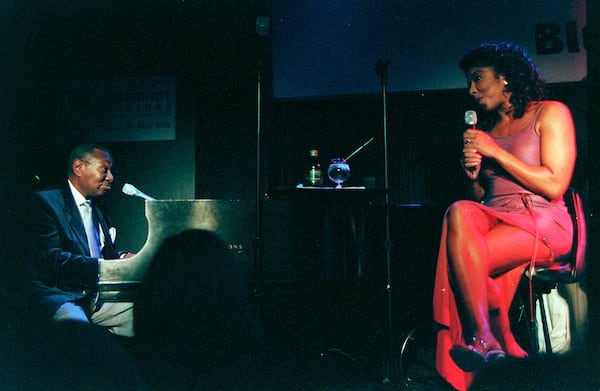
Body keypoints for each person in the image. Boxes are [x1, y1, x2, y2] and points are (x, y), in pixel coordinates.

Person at [432, 42, 576, 390]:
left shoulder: (550, 113)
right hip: (498, 219)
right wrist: (474, 180)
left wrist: (495, 152)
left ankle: (496, 340)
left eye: (478, 78)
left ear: (506, 78)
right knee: (459, 211)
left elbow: (555, 184)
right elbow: (487, 200)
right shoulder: (488, 132)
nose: (471, 90)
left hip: (543, 222)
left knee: (463, 264)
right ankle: (492, 339)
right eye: (469, 82)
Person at [25, 143, 136, 337]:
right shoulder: (45, 203)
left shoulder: (99, 208)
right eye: (105, 169)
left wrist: (123, 257)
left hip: (96, 295)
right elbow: (49, 258)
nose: (111, 177)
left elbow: (95, 252)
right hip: (62, 296)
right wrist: (105, 266)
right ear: (78, 167)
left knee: (148, 312)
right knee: (80, 336)